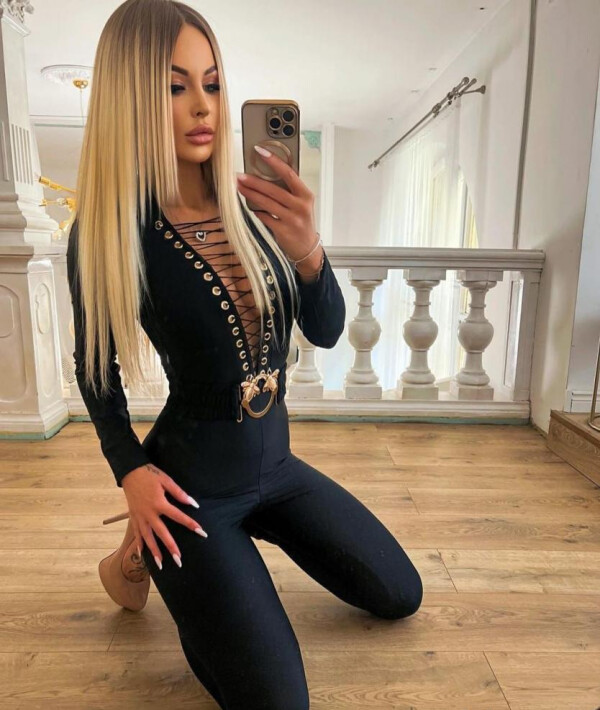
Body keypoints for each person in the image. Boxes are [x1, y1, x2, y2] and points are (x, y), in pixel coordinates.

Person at [66, 1, 424, 707]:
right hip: (190, 489)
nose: (202, 106)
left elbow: (327, 331)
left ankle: (170, 555)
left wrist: (309, 251)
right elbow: (95, 370)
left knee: (399, 594)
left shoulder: (255, 209)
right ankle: (140, 553)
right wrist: (131, 472)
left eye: (212, 82)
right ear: (129, 100)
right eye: (174, 87)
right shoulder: (111, 231)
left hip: (276, 465)